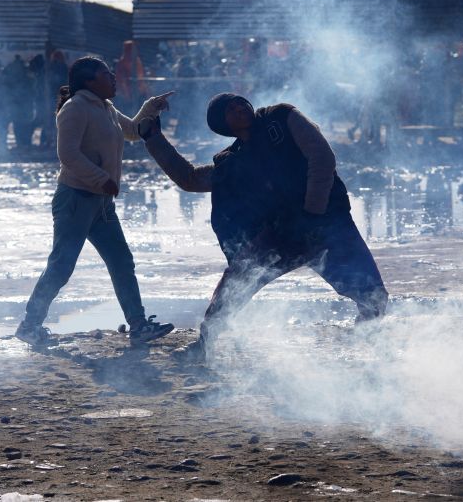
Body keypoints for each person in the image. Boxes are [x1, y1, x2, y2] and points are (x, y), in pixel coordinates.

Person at [138, 93, 389, 362]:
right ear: (222, 125)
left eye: (240, 102)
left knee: (373, 294)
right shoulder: (232, 160)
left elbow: (322, 157)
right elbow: (190, 179)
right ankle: (203, 346)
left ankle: (372, 349)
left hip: (327, 224)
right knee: (235, 287)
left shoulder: (281, 117)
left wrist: (312, 211)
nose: (239, 108)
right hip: (281, 234)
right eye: (229, 110)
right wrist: (153, 139)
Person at [15, 57, 176, 347]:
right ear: (89, 80)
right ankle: (30, 324)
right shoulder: (75, 109)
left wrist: (150, 107)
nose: (113, 78)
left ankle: (138, 325)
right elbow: (68, 155)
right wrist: (101, 178)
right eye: (107, 74)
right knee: (61, 267)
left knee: (121, 261)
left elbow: (133, 132)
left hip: (101, 203)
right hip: (75, 199)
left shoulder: (106, 107)